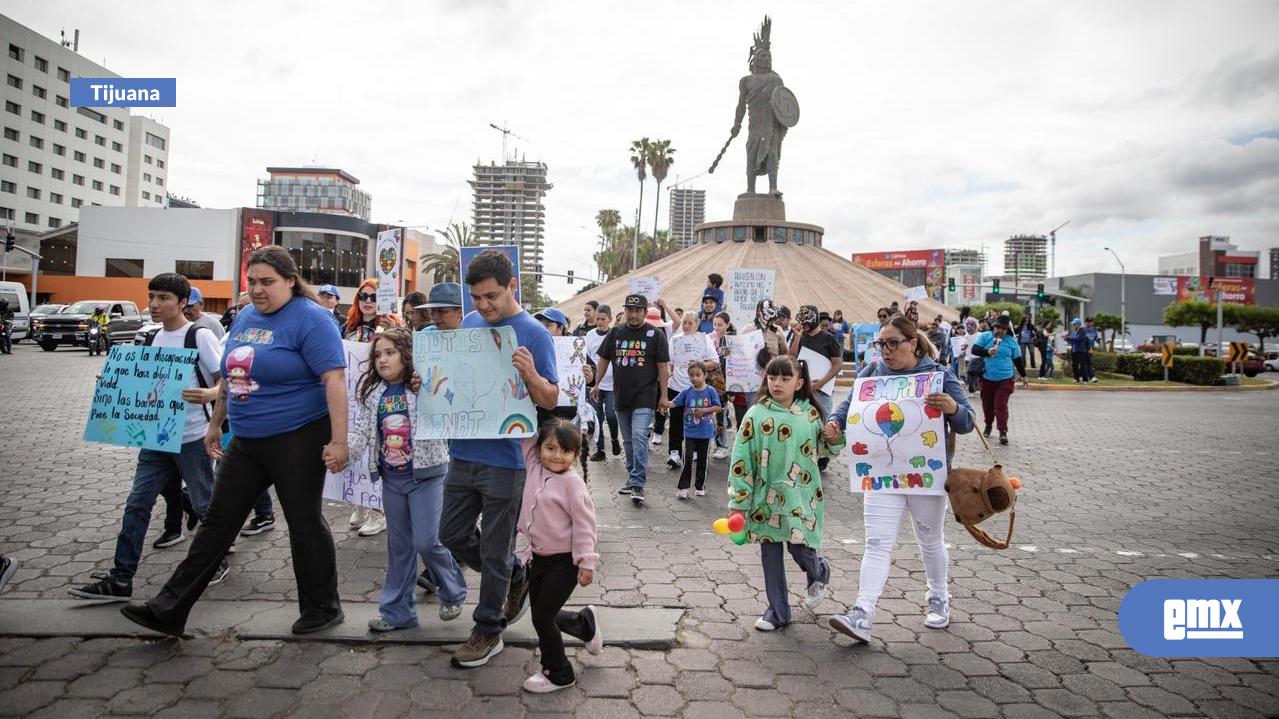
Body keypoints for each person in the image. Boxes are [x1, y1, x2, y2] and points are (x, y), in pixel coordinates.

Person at [119, 246, 350, 637]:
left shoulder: (313, 319)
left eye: (268, 282)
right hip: (247, 439)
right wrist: (217, 425)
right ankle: (168, 610)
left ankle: (322, 608)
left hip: (298, 437)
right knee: (215, 524)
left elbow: (335, 381)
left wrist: (339, 441)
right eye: (252, 282)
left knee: (304, 523)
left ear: (291, 281)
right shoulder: (245, 316)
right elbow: (231, 373)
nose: (258, 290)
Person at [69, 273, 227, 601]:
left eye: (163, 298)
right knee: (137, 503)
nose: (154, 304)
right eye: (152, 296)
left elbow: (226, 381)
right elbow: (152, 385)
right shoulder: (155, 338)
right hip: (156, 438)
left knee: (204, 504)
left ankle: (218, 560)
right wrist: (118, 382)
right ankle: (121, 578)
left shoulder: (199, 336)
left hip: (192, 438)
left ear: (182, 302)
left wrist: (209, 392)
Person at [437, 250, 559, 668]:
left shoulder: (534, 333)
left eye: (491, 296)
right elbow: (455, 382)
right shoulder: (469, 325)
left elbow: (551, 399)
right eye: (476, 298)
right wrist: (429, 381)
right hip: (462, 452)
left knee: (493, 546)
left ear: (512, 286)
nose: (483, 306)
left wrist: (531, 376)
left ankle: (488, 629)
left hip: (507, 459)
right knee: (450, 533)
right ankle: (514, 572)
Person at [825, 316, 975, 644]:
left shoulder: (939, 374)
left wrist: (952, 408)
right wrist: (835, 422)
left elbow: (966, 422)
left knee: (929, 539)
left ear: (914, 344)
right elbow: (846, 408)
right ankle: (862, 612)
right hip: (881, 475)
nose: (886, 351)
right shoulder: (871, 373)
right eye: (881, 344)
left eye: (893, 343)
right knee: (877, 542)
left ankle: (938, 596)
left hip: (927, 476)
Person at [351, 329, 466, 631]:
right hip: (392, 480)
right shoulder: (373, 395)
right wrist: (341, 453)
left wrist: (426, 389)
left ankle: (453, 590)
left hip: (428, 478)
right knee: (399, 548)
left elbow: (450, 405)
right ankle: (397, 613)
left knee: (428, 541)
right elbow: (362, 433)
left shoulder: (423, 385)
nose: (382, 359)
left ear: (406, 354)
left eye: (390, 352)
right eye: (377, 355)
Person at [729, 355, 840, 631]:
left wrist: (834, 438)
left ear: (800, 382)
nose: (777, 383)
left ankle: (819, 570)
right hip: (764, 500)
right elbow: (741, 459)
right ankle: (777, 612)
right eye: (772, 377)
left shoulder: (810, 414)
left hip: (801, 497)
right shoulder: (755, 414)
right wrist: (739, 501)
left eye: (785, 378)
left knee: (800, 547)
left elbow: (825, 450)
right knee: (770, 554)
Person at [516, 419, 602, 693]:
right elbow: (525, 431)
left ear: (575, 455)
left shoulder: (573, 485)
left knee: (541, 618)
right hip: (537, 559)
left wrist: (587, 563)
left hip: (565, 563)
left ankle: (559, 672)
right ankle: (583, 624)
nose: (556, 455)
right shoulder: (533, 466)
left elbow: (586, 527)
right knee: (544, 612)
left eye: (565, 451)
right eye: (550, 448)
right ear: (539, 447)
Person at [591, 294, 671, 504]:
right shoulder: (616, 332)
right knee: (628, 442)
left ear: (645, 313)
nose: (633, 314)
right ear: (625, 312)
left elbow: (663, 367)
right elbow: (604, 360)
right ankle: (631, 476)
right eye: (630, 310)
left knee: (638, 437)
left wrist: (664, 396)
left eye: (637, 311)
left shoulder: (656, 335)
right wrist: (596, 384)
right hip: (621, 395)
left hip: (645, 396)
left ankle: (637, 483)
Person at [344, 278, 402, 537]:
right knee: (355, 446)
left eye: (373, 297)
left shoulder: (392, 328)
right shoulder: (349, 328)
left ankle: (379, 512)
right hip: (353, 398)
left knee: (378, 449)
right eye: (363, 296)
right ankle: (360, 502)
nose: (368, 301)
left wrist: (395, 332)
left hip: (382, 398)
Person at [660, 312, 719, 470]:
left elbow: (715, 361)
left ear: (697, 324)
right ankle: (675, 453)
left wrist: (699, 364)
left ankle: (694, 450)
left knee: (696, 419)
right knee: (676, 420)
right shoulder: (675, 339)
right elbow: (669, 362)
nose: (686, 326)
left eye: (689, 323)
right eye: (684, 323)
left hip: (697, 388)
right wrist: (668, 373)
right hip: (677, 386)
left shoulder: (704, 339)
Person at [971, 315, 1029, 444]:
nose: (999, 330)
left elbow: (1018, 360)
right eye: (997, 327)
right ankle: (988, 425)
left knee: (1000, 405)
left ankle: (1003, 432)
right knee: (987, 405)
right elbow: (974, 349)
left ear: (1007, 329)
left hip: (1005, 378)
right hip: (987, 377)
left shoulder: (1011, 341)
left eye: (1003, 328)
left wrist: (1024, 376)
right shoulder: (986, 336)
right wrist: (987, 352)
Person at [672, 362, 721, 498]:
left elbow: (718, 407)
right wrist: (664, 404)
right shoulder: (687, 391)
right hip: (690, 432)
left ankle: (699, 486)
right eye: (691, 375)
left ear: (705, 375)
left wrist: (705, 410)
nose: (694, 378)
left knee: (702, 460)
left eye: (698, 375)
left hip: (705, 432)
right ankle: (683, 487)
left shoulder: (710, 391)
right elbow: (674, 403)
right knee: (687, 459)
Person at [788, 305, 842, 418]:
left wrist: (820, 384)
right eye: (802, 319)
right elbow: (791, 359)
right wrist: (797, 338)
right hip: (802, 390)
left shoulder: (829, 338)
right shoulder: (799, 336)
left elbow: (837, 365)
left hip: (822, 392)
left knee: (821, 424)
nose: (805, 324)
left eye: (807, 319)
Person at [583, 304, 618, 462]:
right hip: (596, 384)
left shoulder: (616, 334)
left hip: (613, 384)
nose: (600, 322)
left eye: (603, 319)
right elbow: (587, 357)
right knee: (597, 417)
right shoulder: (589, 335)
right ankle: (600, 449)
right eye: (597, 319)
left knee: (611, 414)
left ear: (610, 320)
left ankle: (615, 439)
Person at [710, 311, 735, 459]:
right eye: (715, 324)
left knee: (720, 415)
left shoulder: (732, 341)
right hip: (710, 381)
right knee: (709, 414)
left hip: (725, 383)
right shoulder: (708, 338)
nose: (717, 327)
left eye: (720, 324)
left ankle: (722, 446)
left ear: (727, 324)